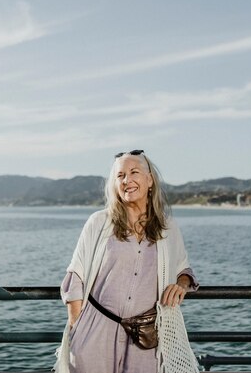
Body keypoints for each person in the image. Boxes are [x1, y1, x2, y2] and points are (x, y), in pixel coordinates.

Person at [54, 150, 200, 373]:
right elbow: (75, 278)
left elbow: (184, 269)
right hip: (96, 332)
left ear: (149, 180)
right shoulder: (99, 222)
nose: (127, 180)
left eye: (134, 172)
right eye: (120, 175)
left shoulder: (168, 228)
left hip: (146, 338)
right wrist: (79, 328)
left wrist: (180, 284)